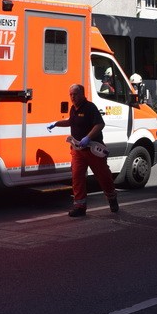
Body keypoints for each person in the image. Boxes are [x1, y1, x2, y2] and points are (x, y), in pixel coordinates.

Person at [47, 83, 118, 216]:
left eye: (75, 94)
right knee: (77, 176)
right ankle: (80, 206)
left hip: (93, 149)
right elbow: (71, 122)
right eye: (71, 95)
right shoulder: (73, 109)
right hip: (78, 149)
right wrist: (56, 123)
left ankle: (112, 198)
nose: (72, 97)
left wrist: (88, 138)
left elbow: (100, 124)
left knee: (103, 176)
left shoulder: (90, 107)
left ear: (82, 94)